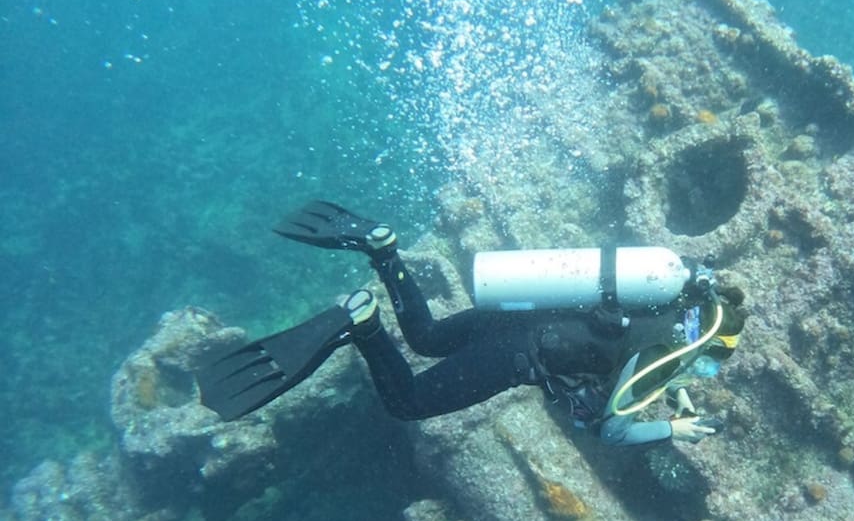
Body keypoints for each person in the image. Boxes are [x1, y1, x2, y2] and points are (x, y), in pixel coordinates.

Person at [197, 201, 746, 445]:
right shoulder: (663, 361)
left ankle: (385, 253)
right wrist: (672, 427)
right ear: (704, 346)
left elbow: (634, 345)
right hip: (518, 357)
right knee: (407, 401)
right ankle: (360, 324)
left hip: (514, 315)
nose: (704, 376)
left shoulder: (666, 296)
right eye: (710, 365)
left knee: (426, 337)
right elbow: (611, 429)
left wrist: (672, 386)